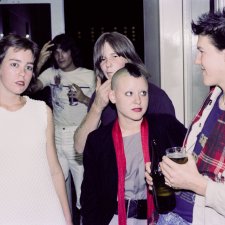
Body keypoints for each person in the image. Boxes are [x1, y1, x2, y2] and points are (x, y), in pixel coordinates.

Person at [145, 8, 225, 225]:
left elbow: (199, 182)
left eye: (202, 51)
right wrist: (168, 175)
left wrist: (196, 184)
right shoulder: (213, 98)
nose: (197, 60)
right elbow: (194, 164)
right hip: (172, 215)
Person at [81, 63, 187, 225]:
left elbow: (193, 154)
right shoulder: (98, 141)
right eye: (129, 93)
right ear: (113, 96)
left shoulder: (165, 126)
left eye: (143, 93)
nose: (138, 100)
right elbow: (90, 196)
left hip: (160, 217)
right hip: (113, 218)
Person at [0, 33, 73, 225]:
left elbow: (55, 171)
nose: (22, 73)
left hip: (48, 213)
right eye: (14, 64)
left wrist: (67, 217)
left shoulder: (41, 111)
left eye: (29, 67)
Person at [74, 31, 177, 154]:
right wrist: (96, 107)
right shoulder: (99, 97)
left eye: (114, 56)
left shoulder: (156, 96)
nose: (108, 64)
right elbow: (80, 147)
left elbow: (172, 146)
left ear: (129, 59)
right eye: (103, 59)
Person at [29, 33, 96, 214]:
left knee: (84, 193)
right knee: (54, 189)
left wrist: (83, 99)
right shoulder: (51, 73)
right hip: (57, 136)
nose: (60, 56)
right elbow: (30, 88)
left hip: (79, 137)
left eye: (64, 51)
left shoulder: (89, 75)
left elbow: (103, 107)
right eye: (56, 52)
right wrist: (39, 62)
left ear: (71, 52)